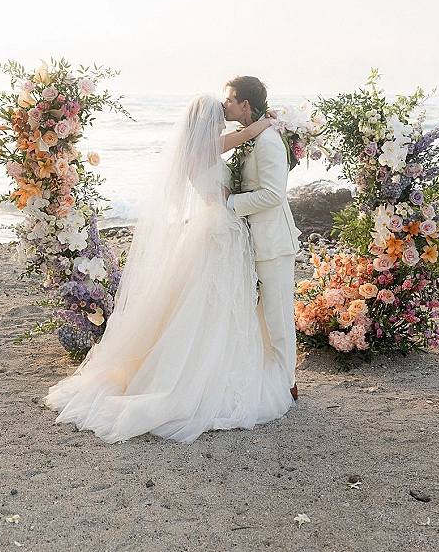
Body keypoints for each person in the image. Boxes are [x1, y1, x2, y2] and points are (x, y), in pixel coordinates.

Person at [44, 95, 293, 443]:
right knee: (213, 305)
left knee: (210, 304)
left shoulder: (198, 149)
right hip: (220, 232)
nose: (223, 122)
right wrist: (272, 122)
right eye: (218, 116)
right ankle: (202, 378)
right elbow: (243, 136)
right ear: (206, 123)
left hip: (217, 230)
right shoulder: (207, 147)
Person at [223, 76, 300, 400]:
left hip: (273, 242)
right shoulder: (249, 137)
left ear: (245, 105)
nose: (224, 104)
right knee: (261, 316)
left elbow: (272, 194)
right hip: (254, 240)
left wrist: (230, 203)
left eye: (229, 99)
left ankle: (288, 384)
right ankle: (271, 379)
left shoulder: (267, 141)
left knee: (278, 317)